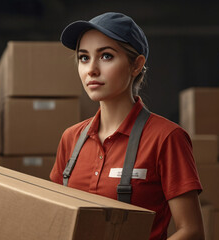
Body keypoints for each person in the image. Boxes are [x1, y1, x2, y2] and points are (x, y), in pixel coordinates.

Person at [50, 12, 205, 240]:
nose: (91, 69)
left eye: (106, 56)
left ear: (136, 65)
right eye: (84, 58)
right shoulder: (70, 138)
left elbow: (191, 231)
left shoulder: (166, 138)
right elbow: (56, 216)